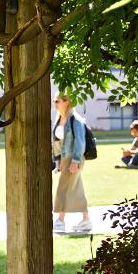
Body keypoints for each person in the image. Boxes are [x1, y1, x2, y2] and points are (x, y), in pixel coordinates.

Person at [52, 94, 93, 234]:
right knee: (76, 189)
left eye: (57, 101)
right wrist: (58, 160)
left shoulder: (75, 119)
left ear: (67, 102)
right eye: (54, 101)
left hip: (74, 158)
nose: (54, 103)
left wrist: (75, 161)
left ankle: (60, 220)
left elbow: (80, 142)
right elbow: (57, 141)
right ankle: (86, 220)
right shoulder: (59, 118)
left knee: (63, 187)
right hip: (64, 158)